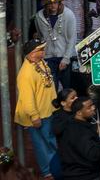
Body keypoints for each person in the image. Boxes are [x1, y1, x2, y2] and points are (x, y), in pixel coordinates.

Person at [15, 40, 58, 178]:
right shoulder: (25, 74)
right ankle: (47, 172)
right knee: (42, 145)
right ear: (32, 54)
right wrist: (34, 116)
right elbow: (27, 98)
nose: (43, 51)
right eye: (40, 49)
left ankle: (54, 167)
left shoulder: (40, 63)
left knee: (50, 141)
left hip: (48, 111)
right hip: (38, 116)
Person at [58, 96, 100, 180]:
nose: (93, 108)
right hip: (83, 175)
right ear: (79, 113)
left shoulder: (72, 123)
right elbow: (94, 154)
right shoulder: (79, 132)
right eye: (89, 107)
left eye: (92, 105)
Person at [32, 0, 78, 90]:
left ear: (59, 2)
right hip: (48, 58)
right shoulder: (39, 17)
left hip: (64, 56)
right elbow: (40, 36)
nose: (53, 6)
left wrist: (66, 59)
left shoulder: (69, 15)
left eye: (55, 2)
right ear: (45, 4)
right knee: (52, 89)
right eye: (50, 3)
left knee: (67, 88)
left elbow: (72, 38)